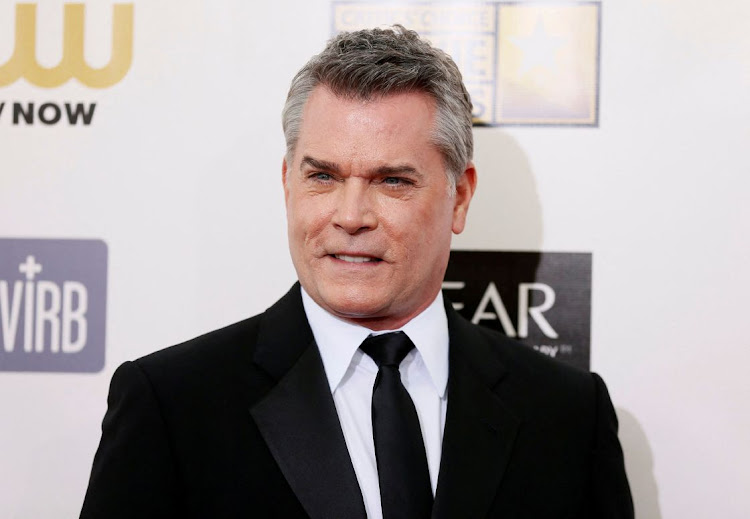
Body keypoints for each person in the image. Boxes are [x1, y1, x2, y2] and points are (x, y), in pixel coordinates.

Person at [80, 26, 633, 519]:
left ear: (459, 197)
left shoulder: (567, 413)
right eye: (322, 176)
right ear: (287, 182)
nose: (349, 216)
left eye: (392, 181)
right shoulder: (173, 405)